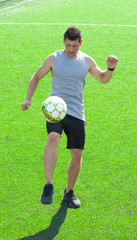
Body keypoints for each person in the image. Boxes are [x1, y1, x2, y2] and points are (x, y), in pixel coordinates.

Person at [22, 26, 118, 208]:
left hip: (76, 111)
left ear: (80, 43)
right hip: (55, 108)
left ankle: (69, 192)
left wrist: (110, 68)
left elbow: (103, 78)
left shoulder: (87, 61)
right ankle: (48, 185)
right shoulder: (54, 58)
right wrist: (28, 98)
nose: (71, 49)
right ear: (63, 42)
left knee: (77, 153)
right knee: (53, 136)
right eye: (68, 45)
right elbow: (36, 77)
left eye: (74, 46)